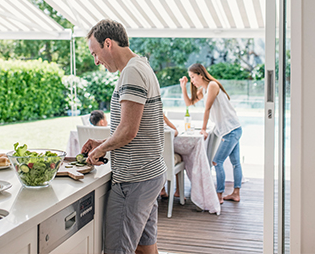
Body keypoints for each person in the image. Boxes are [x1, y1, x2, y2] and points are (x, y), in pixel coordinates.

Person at [82, 19, 167, 254]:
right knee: (144, 249)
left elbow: (129, 131)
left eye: (95, 53)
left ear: (108, 43)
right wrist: (102, 143)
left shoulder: (131, 71)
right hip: (149, 174)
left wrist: (100, 150)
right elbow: (132, 128)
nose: (96, 60)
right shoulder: (141, 66)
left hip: (134, 179)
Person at [179, 63, 242, 204]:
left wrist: (203, 129)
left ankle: (219, 195)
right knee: (235, 163)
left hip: (231, 130)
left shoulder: (213, 85)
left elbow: (207, 109)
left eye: (193, 77)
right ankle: (235, 194)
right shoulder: (204, 90)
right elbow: (189, 103)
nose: (193, 81)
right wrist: (183, 87)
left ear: (201, 75)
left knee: (216, 161)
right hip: (233, 129)